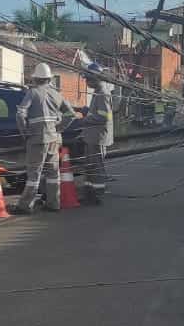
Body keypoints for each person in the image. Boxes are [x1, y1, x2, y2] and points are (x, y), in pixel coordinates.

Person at [13, 62, 78, 213]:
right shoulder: (56, 94)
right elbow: (71, 114)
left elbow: (20, 114)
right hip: (54, 139)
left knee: (34, 174)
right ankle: (53, 203)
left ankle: (25, 206)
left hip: (37, 140)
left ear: (36, 79)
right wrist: (59, 128)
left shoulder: (32, 93)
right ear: (49, 79)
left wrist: (25, 132)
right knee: (53, 173)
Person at [79, 62, 114, 204]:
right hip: (93, 136)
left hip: (97, 136)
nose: (86, 82)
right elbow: (98, 113)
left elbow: (104, 116)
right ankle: (89, 193)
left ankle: (97, 194)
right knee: (90, 166)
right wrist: (86, 111)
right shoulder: (98, 91)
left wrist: (85, 120)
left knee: (96, 166)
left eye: (87, 79)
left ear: (95, 78)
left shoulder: (103, 93)